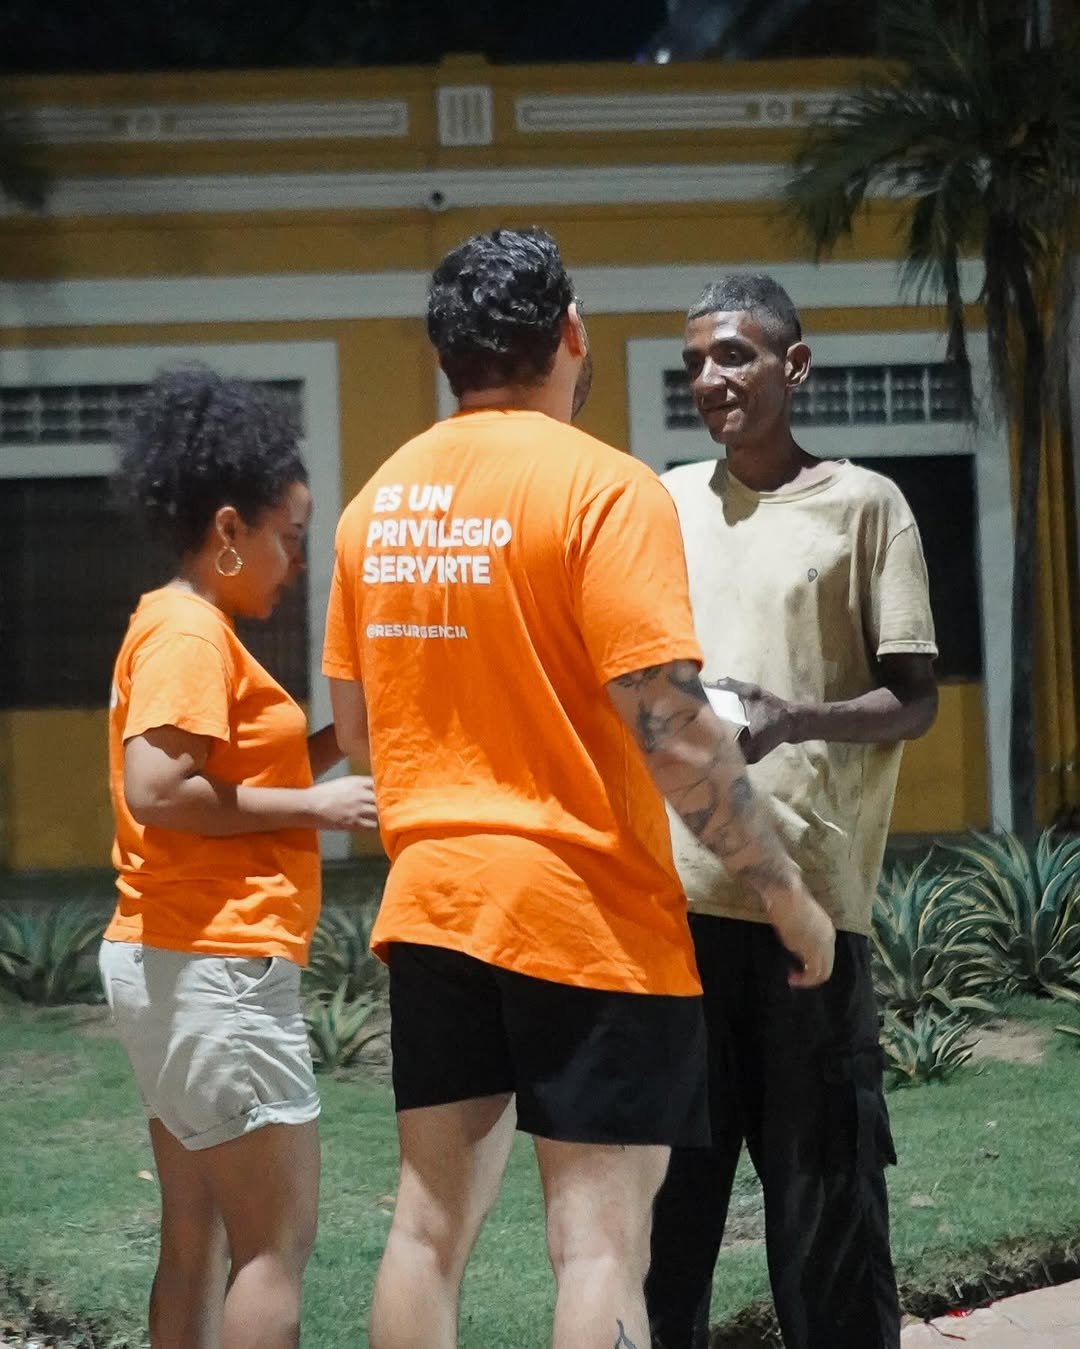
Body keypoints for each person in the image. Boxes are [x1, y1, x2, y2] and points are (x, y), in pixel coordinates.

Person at [322, 229, 835, 1349]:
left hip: (436, 907)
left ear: (446, 354)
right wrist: (787, 895)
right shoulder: (605, 488)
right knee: (600, 1245)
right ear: (569, 332)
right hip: (585, 912)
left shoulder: (377, 504)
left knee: (425, 1229)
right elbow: (672, 728)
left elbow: (356, 729)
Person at [644, 274, 939, 1349]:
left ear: (794, 365)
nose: (710, 378)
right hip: (673, 912)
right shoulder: (665, 503)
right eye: (695, 362)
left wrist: (794, 718)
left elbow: (915, 698)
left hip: (808, 916)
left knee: (827, 1218)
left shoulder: (866, 506)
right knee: (662, 1228)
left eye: (734, 354)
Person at [98, 368, 379, 1349]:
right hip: (216, 964)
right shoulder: (189, 634)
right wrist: (318, 805)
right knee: (271, 1251)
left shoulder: (175, 623)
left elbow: (229, 776)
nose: (296, 561)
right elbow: (158, 788)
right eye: (289, 535)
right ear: (228, 529)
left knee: (195, 1241)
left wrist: (336, 745)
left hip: (171, 960)